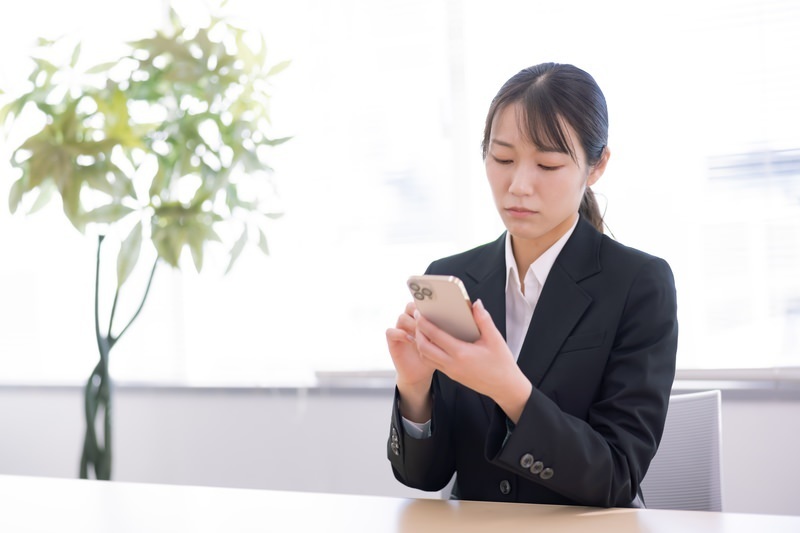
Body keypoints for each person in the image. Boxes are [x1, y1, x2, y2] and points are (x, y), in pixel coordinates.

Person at [385, 62, 678, 508]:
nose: (519, 185)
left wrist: (509, 389)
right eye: (503, 159)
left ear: (596, 166)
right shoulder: (454, 277)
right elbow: (425, 477)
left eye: (548, 163)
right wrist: (414, 388)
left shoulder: (639, 285)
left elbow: (617, 476)